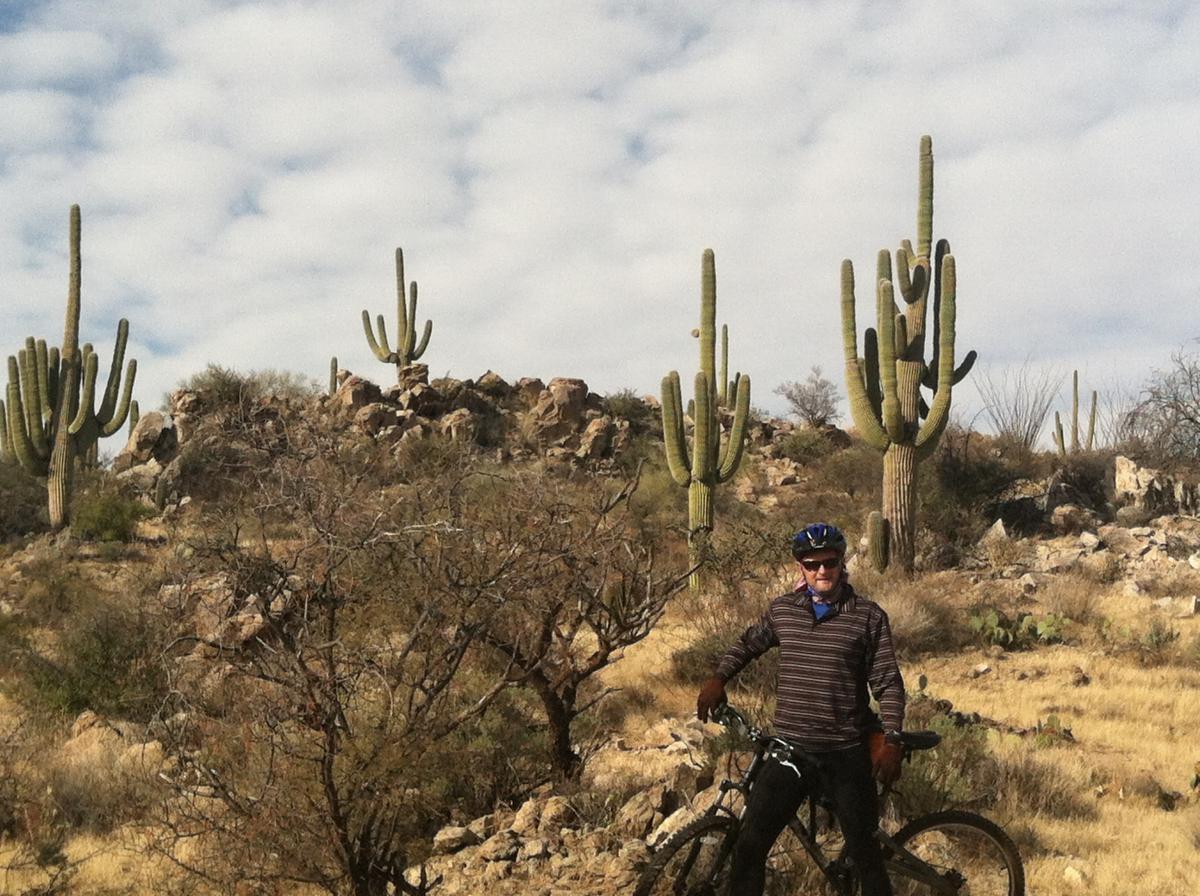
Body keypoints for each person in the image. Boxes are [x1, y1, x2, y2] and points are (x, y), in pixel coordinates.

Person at [696, 522, 904, 896]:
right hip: (790, 752)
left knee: (865, 857)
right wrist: (718, 679)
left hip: (845, 754)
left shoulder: (868, 617)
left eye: (830, 561)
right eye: (812, 564)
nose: (822, 570)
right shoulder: (783, 611)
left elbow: (888, 682)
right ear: (800, 568)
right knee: (750, 846)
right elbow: (748, 645)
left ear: (842, 563)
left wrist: (892, 739)